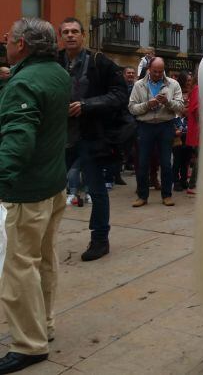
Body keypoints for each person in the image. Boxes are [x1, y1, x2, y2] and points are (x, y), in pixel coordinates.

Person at [0, 18, 70, 373]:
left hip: (28, 191)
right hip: (55, 185)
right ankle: (45, 324)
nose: (5, 42)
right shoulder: (57, 73)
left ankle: (29, 344)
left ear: (22, 45)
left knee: (18, 268)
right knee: (44, 259)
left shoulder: (23, 82)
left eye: (8, 38)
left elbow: (19, 138)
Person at [58, 17, 127, 261]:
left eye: (74, 31)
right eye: (65, 32)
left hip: (92, 137)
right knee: (54, 189)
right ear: (60, 36)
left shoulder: (100, 62)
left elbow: (120, 95)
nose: (70, 35)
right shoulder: (55, 62)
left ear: (83, 35)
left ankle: (100, 239)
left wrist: (87, 105)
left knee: (96, 190)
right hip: (61, 138)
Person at [128, 57, 184, 206]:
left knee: (166, 162)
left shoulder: (173, 84)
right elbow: (132, 108)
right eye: (155, 72)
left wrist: (167, 102)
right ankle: (142, 196)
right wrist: (148, 104)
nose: (158, 74)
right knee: (143, 162)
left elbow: (180, 107)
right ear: (148, 69)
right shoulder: (139, 85)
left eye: (160, 71)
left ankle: (167, 195)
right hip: (144, 126)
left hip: (165, 125)